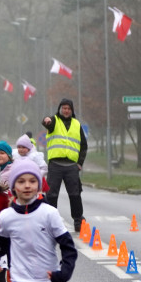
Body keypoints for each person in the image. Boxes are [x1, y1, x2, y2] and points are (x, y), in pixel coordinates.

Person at [41, 98, 87, 232]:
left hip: (71, 166)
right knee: (51, 194)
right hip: (55, 164)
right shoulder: (54, 120)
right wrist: (46, 120)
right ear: (60, 109)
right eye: (64, 108)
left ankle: (78, 220)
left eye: (68, 109)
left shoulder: (77, 124)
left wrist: (79, 163)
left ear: (72, 110)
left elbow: (83, 146)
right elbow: (46, 122)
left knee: (75, 194)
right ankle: (50, 221)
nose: (66, 111)